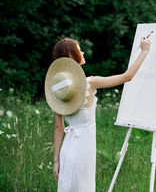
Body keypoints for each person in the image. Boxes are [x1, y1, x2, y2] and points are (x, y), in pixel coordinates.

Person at [52, 37, 150, 191]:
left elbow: (59, 128)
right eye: (79, 49)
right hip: (83, 148)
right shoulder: (89, 83)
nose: (82, 52)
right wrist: (144, 51)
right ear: (71, 57)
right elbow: (127, 77)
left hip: (67, 149)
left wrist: (56, 161)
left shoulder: (58, 89)